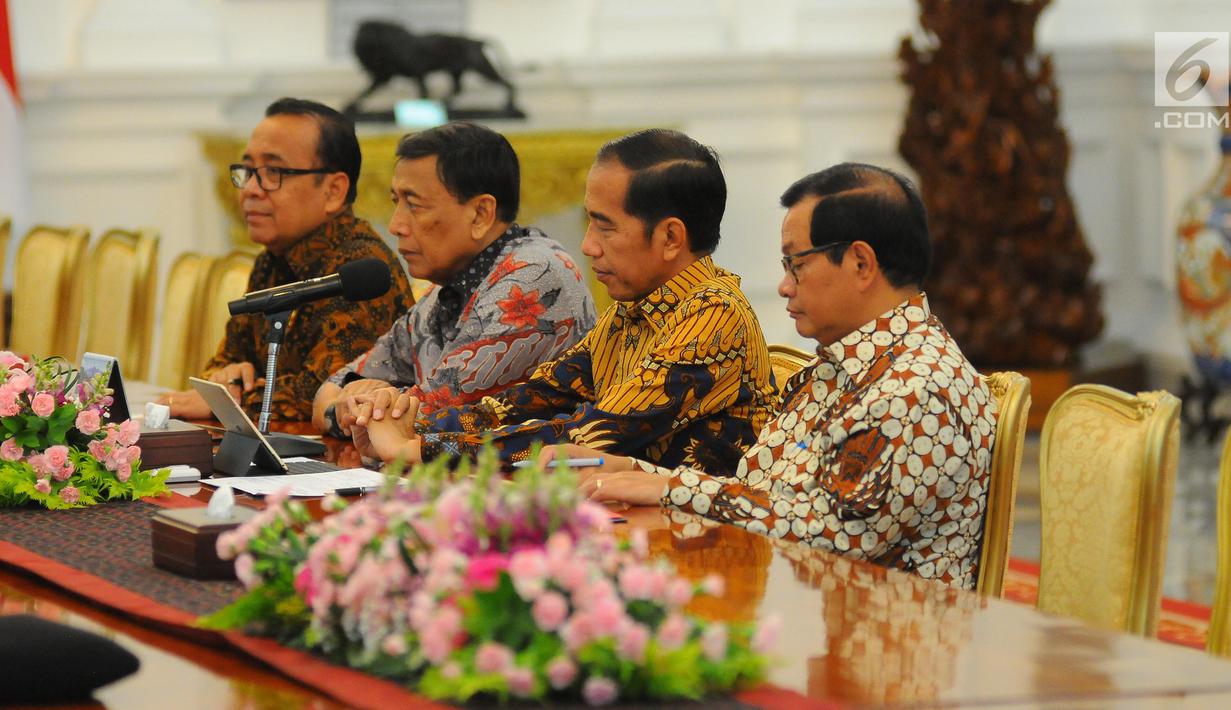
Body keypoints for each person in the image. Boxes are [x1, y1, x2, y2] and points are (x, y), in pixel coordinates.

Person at [546, 163, 998, 590]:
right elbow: (762, 496)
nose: (784, 285)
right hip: (797, 606)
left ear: (861, 264)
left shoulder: (918, 387)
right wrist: (631, 470)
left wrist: (669, 486)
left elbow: (832, 535)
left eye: (795, 264)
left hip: (882, 644)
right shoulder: (842, 367)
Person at [348, 129, 776, 476]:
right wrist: (412, 422)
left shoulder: (714, 315)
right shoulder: (631, 313)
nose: (587, 246)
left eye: (605, 228)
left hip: (704, 554)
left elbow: (588, 436)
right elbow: (530, 400)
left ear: (669, 238)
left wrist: (416, 448)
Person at [310, 122, 597, 436]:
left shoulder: (534, 276)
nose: (395, 226)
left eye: (414, 205)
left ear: (480, 214)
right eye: (396, 203)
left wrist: (352, 410)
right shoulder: (449, 286)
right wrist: (344, 406)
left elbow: (424, 418)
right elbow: (331, 390)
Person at [159, 98, 413, 421]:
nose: (250, 189)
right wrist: (228, 377)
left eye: (272, 172)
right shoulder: (272, 261)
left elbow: (320, 395)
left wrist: (231, 398)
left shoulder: (360, 270)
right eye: (248, 171)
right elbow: (224, 361)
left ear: (334, 190)